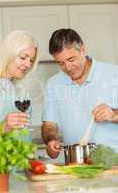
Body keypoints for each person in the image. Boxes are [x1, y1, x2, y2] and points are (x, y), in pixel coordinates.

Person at [41, 28, 118, 158]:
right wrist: (51, 140)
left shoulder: (114, 74)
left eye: (71, 59)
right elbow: (49, 124)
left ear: (83, 50)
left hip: (114, 164)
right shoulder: (53, 84)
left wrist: (113, 115)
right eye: (60, 63)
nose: (67, 68)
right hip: (75, 164)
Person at [0, 30, 39, 131]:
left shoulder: (17, 87)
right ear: (9, 54)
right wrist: (4, 127)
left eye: (31, 60)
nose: (28, 65)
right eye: (23, 57)